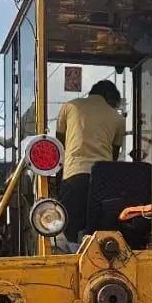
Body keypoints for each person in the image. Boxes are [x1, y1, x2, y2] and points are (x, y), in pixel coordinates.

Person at [55, 80, 126, 239]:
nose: (114, 107)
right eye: (114, 103)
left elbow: (59, 146)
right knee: (100, 231)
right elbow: (113, 157)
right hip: (104, 181)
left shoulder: (69, 106)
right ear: (109, 96)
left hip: (74, 176)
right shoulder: (118, 119)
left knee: (71, 229)